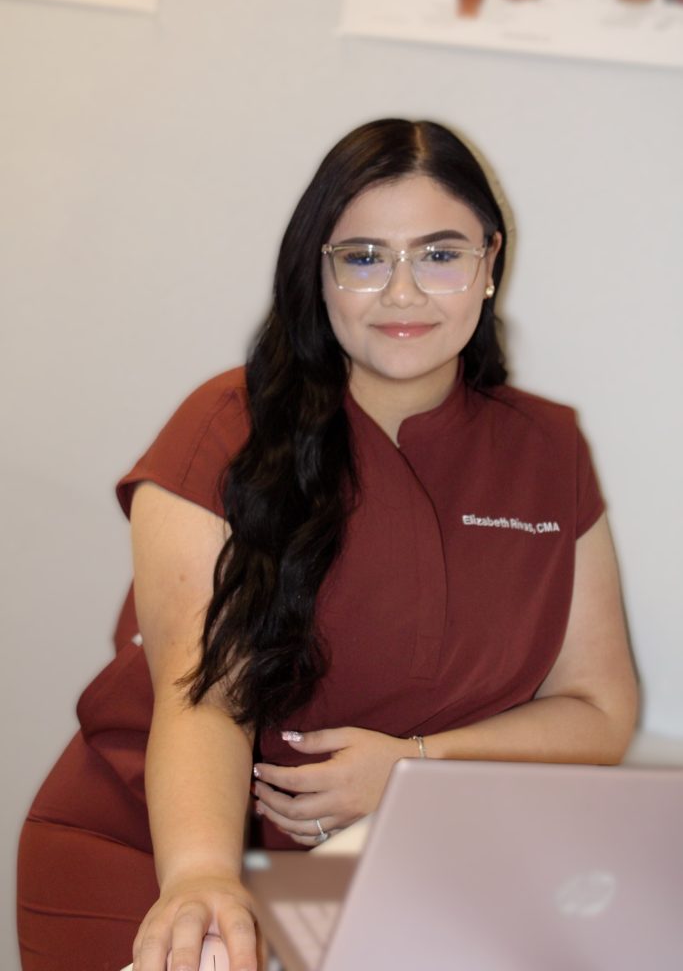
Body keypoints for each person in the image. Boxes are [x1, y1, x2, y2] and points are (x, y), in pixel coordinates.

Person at [17, 118, 638, 971]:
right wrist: (202, 875)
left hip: (384, 868)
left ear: (489, 263)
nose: (402, 293)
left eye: (440, 254)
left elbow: (597, 709)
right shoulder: (224, 428)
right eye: (364, 257)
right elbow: (204, 697)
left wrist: (413, 767)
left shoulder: (546, 451)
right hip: (156, 858)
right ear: (319, 273)